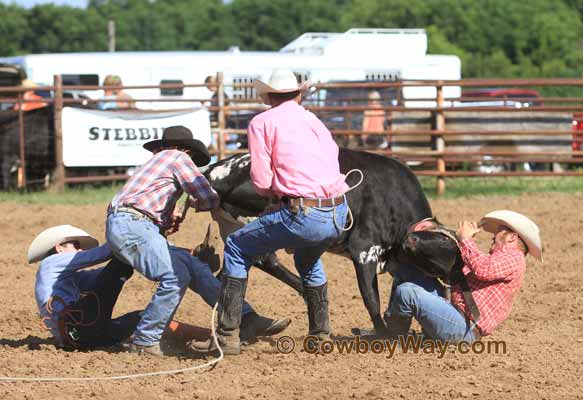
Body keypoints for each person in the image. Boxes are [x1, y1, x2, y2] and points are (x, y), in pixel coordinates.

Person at [190, 69, 350, 356]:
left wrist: (276, 196)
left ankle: (227, 335)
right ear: (298, 94)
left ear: (268, 97)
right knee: (308, 258)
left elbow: (262, 180)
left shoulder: (262, 122)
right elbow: (332, 156)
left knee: (237, 246)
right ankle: (320, 334)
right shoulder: (313, 119)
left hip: (304, 213)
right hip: (339, 211)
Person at [105, 125, 289, 356]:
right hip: (133, 225)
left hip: (132, 224)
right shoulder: (177, 156)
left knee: (195, 268)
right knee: (174, 276)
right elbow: (205, 194)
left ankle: (245, 317)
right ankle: (145, 340)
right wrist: (206, 202)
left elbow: (146, 207)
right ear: (187, 150)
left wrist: (165, 220)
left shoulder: (157, 163)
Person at [385, 210, 542, 343]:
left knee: (407, 292)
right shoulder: (499, 259)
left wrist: (466, 239)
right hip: (455, 315)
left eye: (498, 232)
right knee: (406, 271)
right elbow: (468, 272)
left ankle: (394, 337)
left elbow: (483, 269)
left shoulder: (514, 258)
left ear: (512, 237)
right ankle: (394, 331)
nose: (493, 237)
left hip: (464, 327)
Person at [28, 225, 141, 350]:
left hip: (81, 336)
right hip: (78, 326)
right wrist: (132, 238)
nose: (80, 250)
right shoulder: (50, 262)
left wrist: (132, 258)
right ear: (59, 248)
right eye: (76, 245)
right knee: (120, 266)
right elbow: (101, 255)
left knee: (143, 317)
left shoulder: (70, 278)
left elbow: (102, 275)